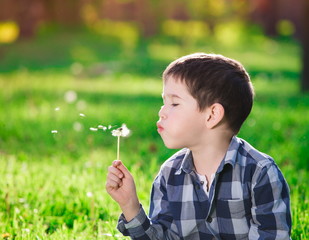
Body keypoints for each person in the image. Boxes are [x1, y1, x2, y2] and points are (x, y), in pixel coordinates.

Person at [106, 53, 292, 239]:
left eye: (174, 103)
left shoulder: (260, 173)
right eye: (164, 102)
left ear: (212, 115)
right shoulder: (169, 174)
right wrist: (129, 205)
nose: (161, 112)